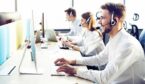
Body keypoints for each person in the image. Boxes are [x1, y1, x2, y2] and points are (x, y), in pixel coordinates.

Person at [54, 2, 145, 84]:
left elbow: (104, 78)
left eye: (103, 18)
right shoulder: (115, 38)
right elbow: (100, 58)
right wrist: (73, 61)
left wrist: (75, 70)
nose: (99, 22)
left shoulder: (128, 45)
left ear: (115, 21)